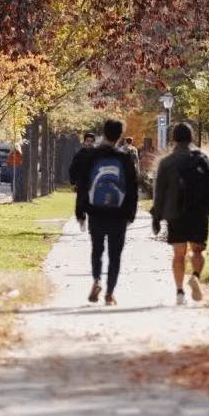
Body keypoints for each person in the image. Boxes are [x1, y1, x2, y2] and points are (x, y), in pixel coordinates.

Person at [151, 122, 209, 306]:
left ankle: (179, 292)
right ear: (191, 137)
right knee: (198, 250)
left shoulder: (166, 162)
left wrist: (156, 217)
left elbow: (159, 192)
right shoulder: (202, 157)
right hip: (199, 211)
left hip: (175, 213)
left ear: (174, 139)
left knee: (178, 254)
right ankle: (195, 276)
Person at [75, 119, 138, 306]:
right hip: (118, 212)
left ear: (104, 132)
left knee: (97, 249)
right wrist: (131, 213)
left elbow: (83, 185)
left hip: (96, 211)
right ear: (119, 136)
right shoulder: (124, 158)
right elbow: (132, 187)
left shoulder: (92, 155)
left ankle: (96, 280)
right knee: (115, 255)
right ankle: (109, 293)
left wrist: (80, 212)